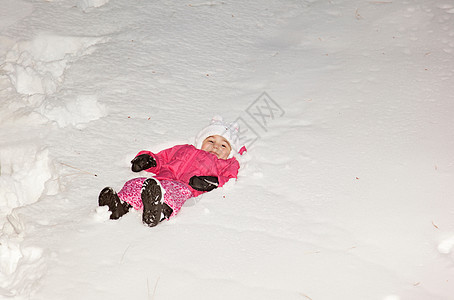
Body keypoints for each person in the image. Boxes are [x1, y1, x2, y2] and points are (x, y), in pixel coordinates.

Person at [98, 116, 244, 227]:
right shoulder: (185, 148)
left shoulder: (227, 163)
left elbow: (229, 177)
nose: (215, 147)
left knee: (172, 193)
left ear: (231, 152)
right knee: (135, 183)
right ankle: (120, 205)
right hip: (160, 180)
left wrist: (211, 182)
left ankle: (159, 211)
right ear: (201, 141)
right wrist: (149, 160)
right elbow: (163, 158)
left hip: (186, 186)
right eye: (211, 141)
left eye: (223, 145)